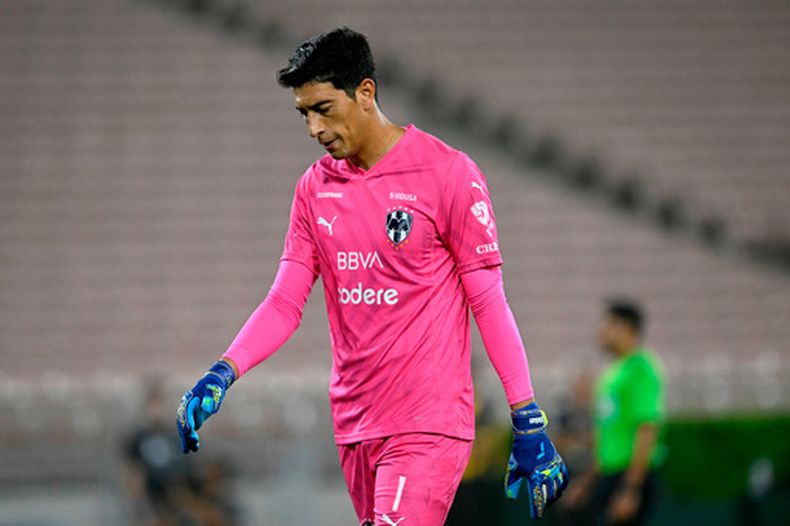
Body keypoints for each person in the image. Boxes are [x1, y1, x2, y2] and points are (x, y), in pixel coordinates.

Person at [176, 27, 567, 525]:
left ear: (365, 93)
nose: (313, 129)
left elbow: (489, 302)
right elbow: (284, 302)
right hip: (355, 423)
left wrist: (526, 415)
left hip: (428, 420)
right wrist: (222, 372)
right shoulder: (313, 190)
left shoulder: (448, 174)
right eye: (304, 113)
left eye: (323, 109)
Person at [563, 299, 666, 525]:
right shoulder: (612, 372)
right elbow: (607, 436)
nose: (602, 331)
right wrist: (588, 482)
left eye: (608, 325)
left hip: (629, 475)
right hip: (610, 475)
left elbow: (646, 428)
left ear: (626, 329)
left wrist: (631, 489)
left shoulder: (641, 369)